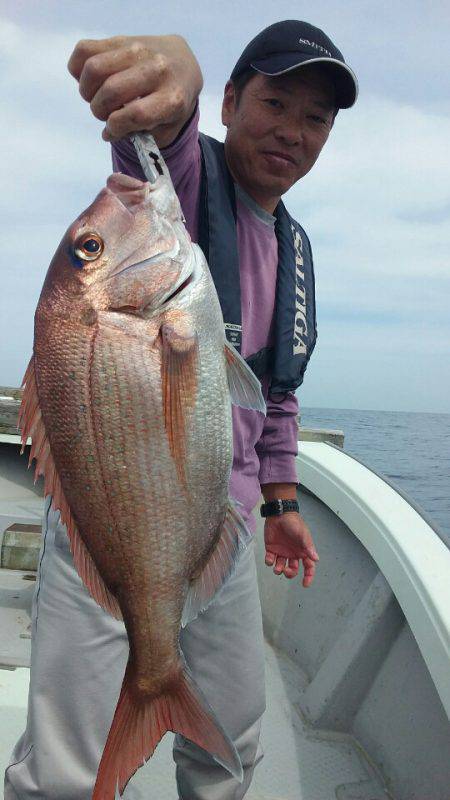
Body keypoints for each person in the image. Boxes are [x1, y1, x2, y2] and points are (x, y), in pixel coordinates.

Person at [4, 19, 357, 800]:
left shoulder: (295, 252)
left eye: (316, 118)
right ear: (229, 102)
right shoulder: (183, 188)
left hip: (219, 527)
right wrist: (170, 67)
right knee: (65, 762)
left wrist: (281, 500)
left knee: (232, 742)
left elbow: (277, 394)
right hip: (111, 526)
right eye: (276, 102)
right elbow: (159, 122)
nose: (293, 131)